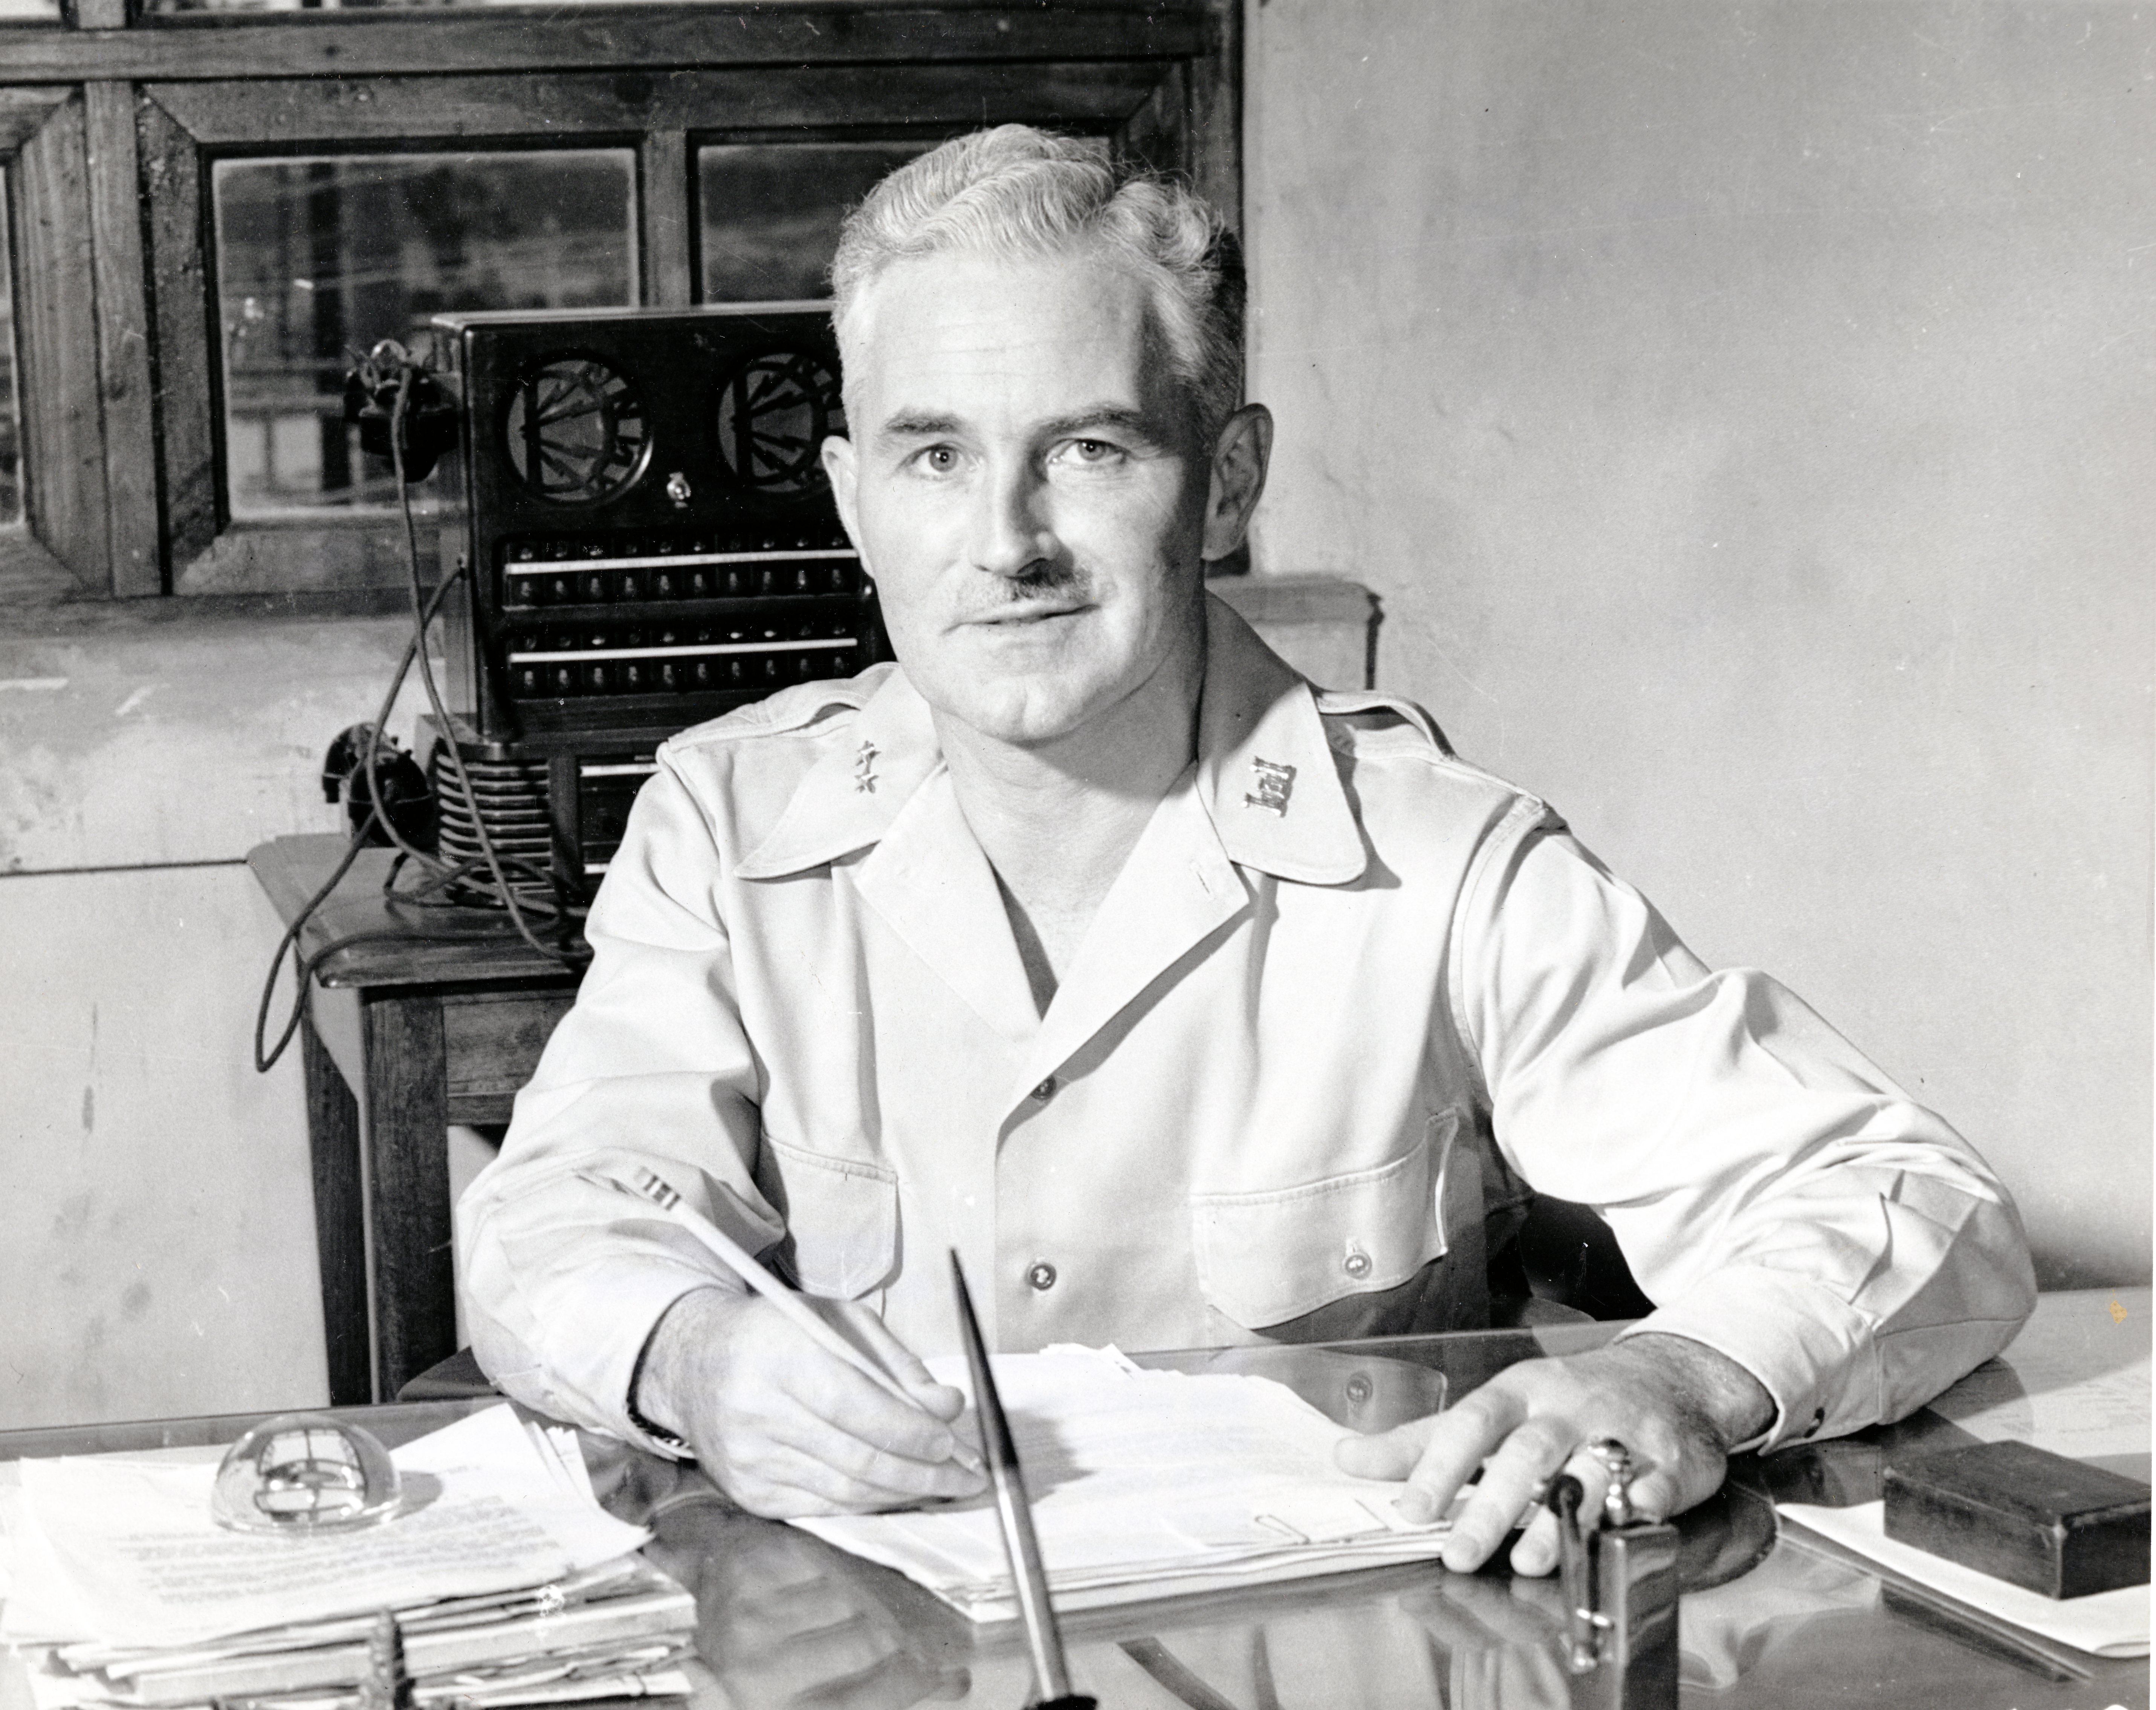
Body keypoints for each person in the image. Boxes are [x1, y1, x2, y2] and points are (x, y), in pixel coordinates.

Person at [458, 125, 2035, 1577]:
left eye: (1089, 450)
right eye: (935, 456)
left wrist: (1671, 1373)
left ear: (1227, 482)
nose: (1006, 542)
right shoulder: (729, 829)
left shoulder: (1442, 859)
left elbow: (1902, 1193)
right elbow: (559, 1220)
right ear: (854, 501)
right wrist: (693, 1357)